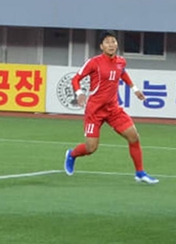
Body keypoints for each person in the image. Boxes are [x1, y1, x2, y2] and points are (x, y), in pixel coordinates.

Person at [64, 30, 158, 184]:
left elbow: (123, 73)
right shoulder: (94, 62)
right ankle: (72, 154)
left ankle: (140, 173)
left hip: (113, 109)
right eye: (107, 42)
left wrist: (134, 89)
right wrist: (79, 93)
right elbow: (76, 78)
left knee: (134, 137)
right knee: (91, 148)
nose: (111, 44)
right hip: (95, 111)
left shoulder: (121, 61)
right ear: (101, 46)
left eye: (113, 41)